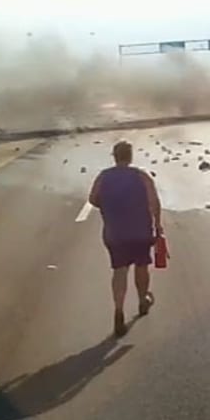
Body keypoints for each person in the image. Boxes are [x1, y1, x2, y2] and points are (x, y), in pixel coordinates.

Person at [88, 140, 163, 337]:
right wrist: (157, 224)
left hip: (115, 232)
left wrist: (109, 207)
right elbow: (154, 202)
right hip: (140, 230)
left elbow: (92, 199)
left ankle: (119, 310)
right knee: (141, 266)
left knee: (119, 270)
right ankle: (142, 300)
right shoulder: (141, 176)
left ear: (114, 157)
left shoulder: (104, 176)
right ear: (130, 157)